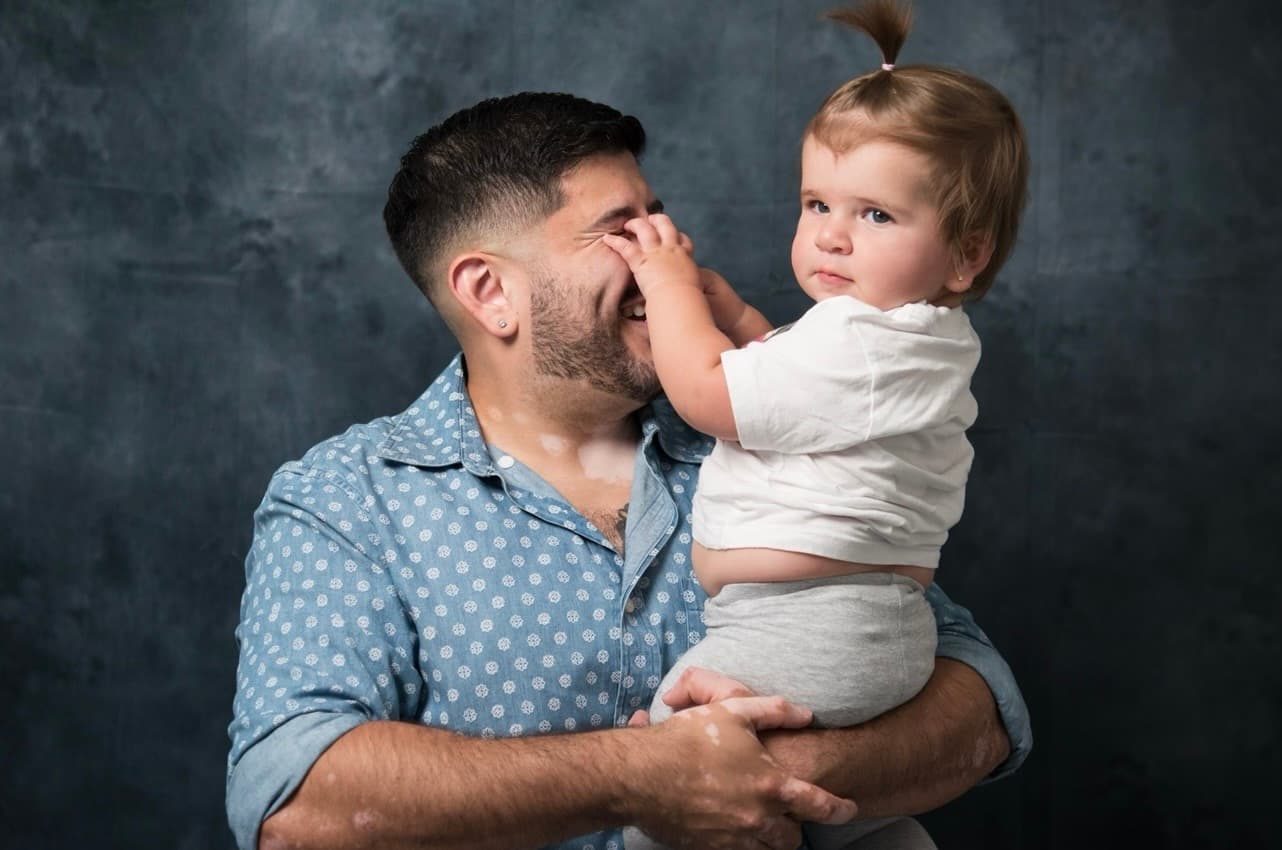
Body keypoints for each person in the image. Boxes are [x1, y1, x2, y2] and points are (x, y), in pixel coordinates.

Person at [226, 87, 1031, 850]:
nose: (667, 247)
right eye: (623, 229)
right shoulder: (346, 500)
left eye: (658, 216)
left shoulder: (775, 433)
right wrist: (645, 776)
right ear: (489, 292)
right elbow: (296, 808)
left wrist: (772, 776)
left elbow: (979, 704)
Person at [603, 3, 1029, 848]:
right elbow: (798, 393)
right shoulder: (903, 338)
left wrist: (668, 283)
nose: (831, 235)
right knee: (828, 823)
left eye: (875, 215)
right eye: (815, 202)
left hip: (812, 623)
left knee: (669, 774)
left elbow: (712, 396)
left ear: (968, 254)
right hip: (852, 624)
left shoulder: (858, 339)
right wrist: (740, 318)